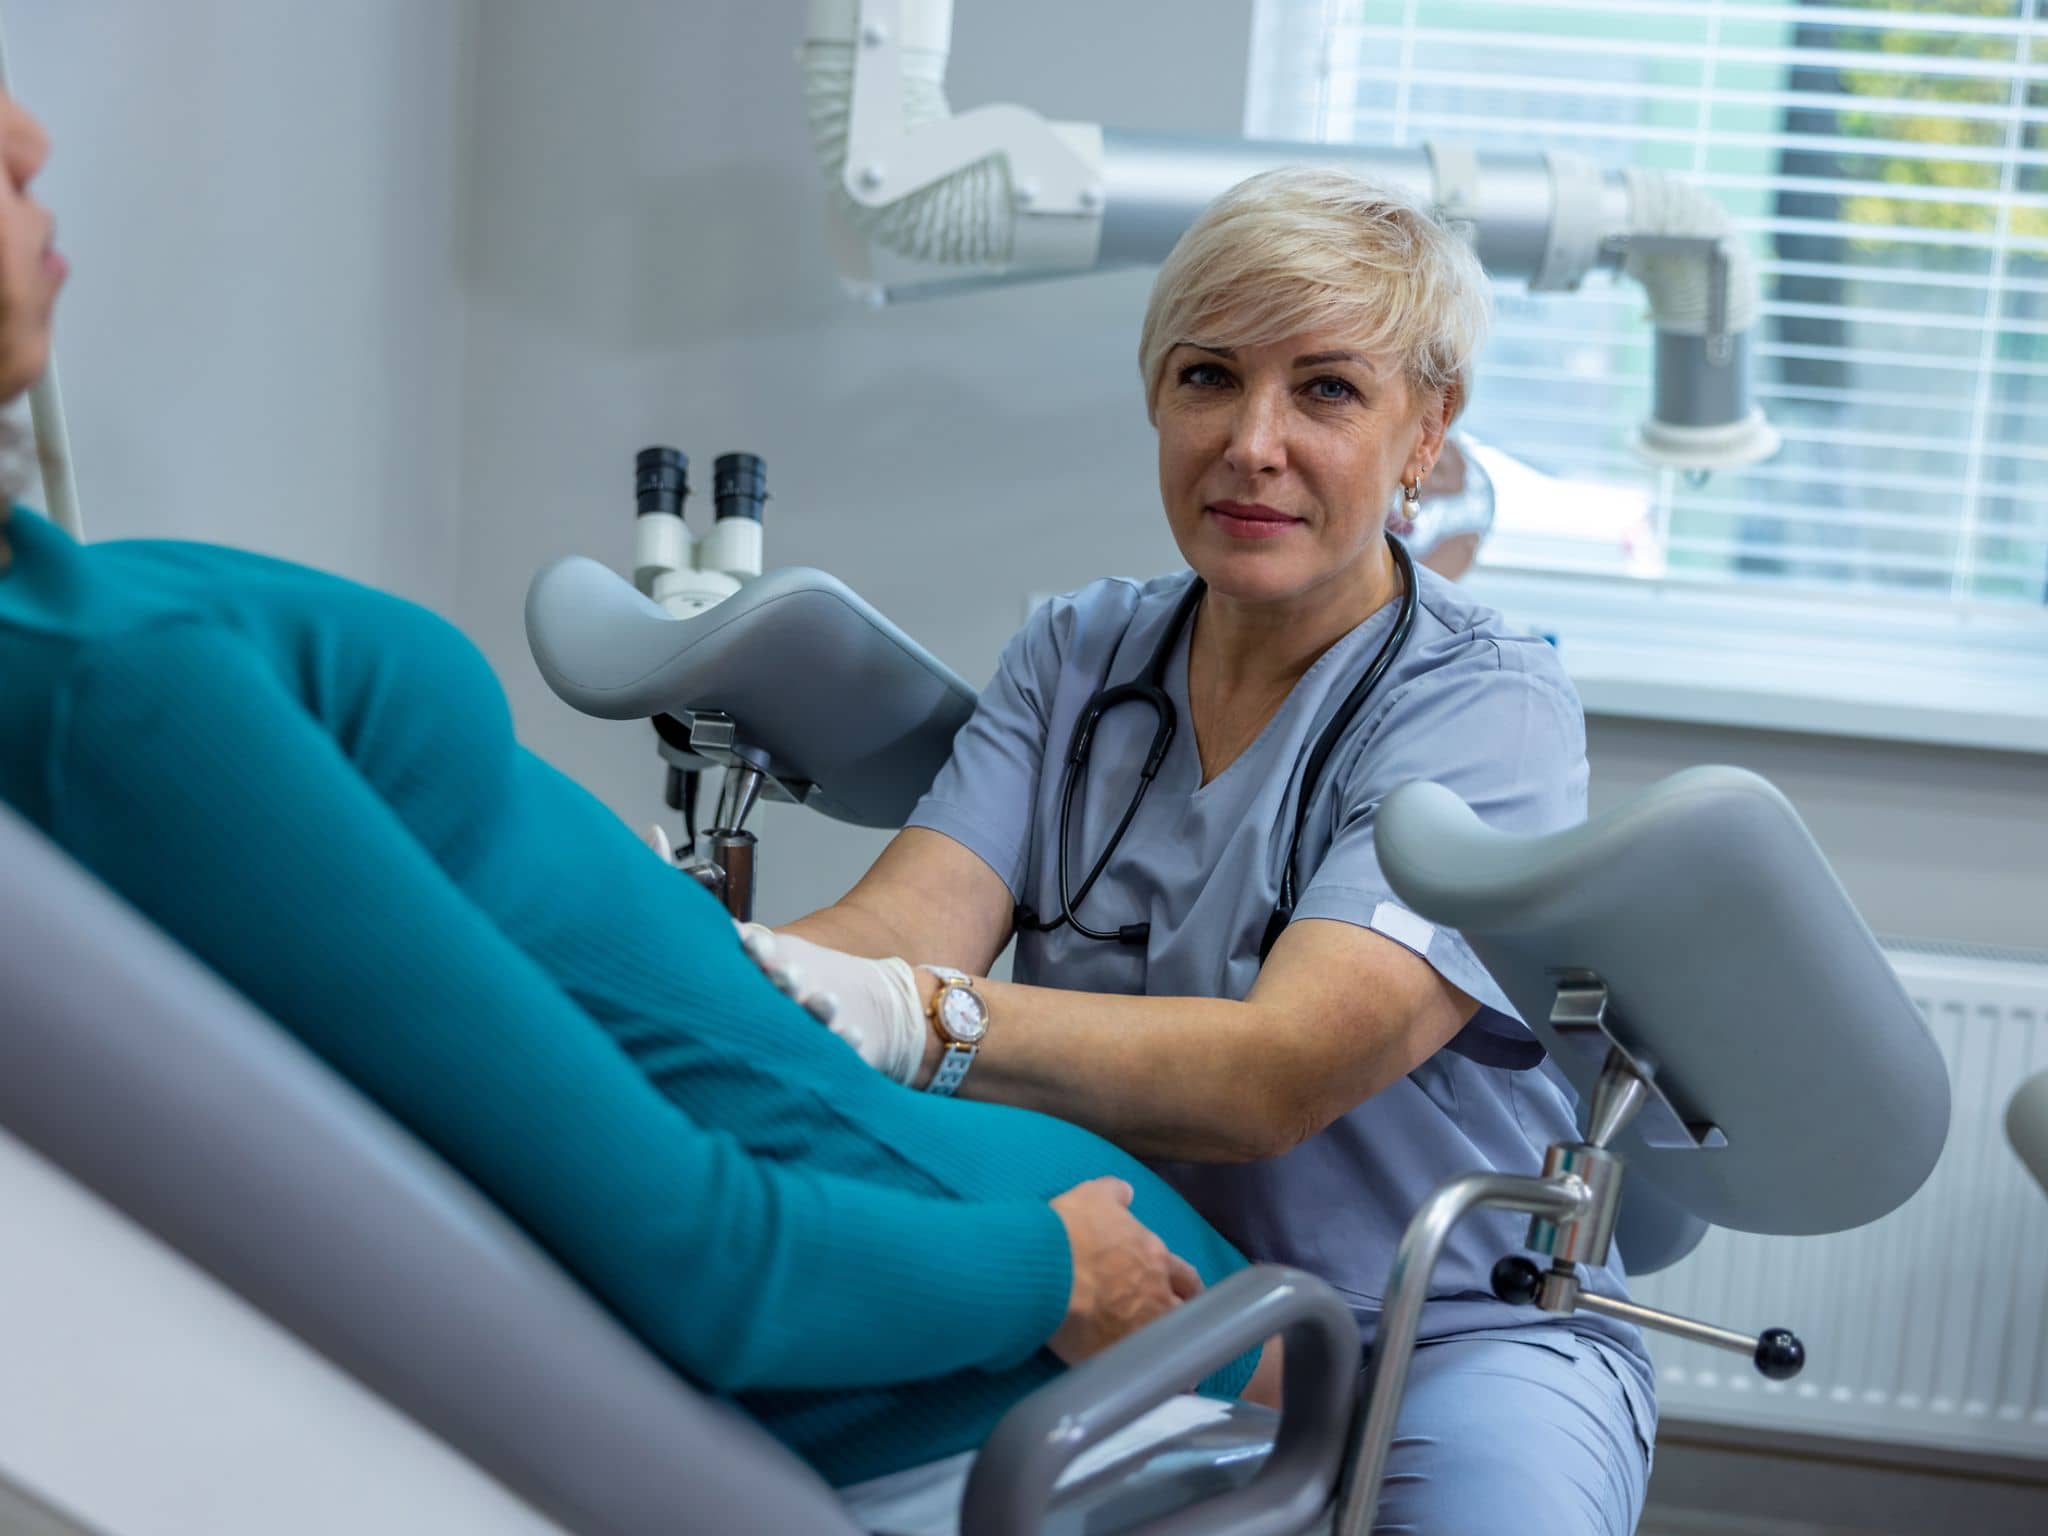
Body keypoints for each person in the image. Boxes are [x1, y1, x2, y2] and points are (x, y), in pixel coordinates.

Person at [0, 87, 1276, 1489]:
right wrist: (1054, 1267)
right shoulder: (115, 693)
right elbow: (708, 1258)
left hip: (927, 1202)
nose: (29, 137)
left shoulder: (71, 621)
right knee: (1353, 1370)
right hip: (951, 1310)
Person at [772, 168, 1656, 1533]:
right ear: (1156, 399)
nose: (1252, 444)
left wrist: (917, 1017)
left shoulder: (1488, 705)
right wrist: (719, 962)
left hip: (1447, 1329)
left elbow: (1277, 1075)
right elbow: (898, 932)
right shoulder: (1076, 656)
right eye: (1209, 378)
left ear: (1428, 430)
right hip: (1138, 1296)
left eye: (1327, 391)